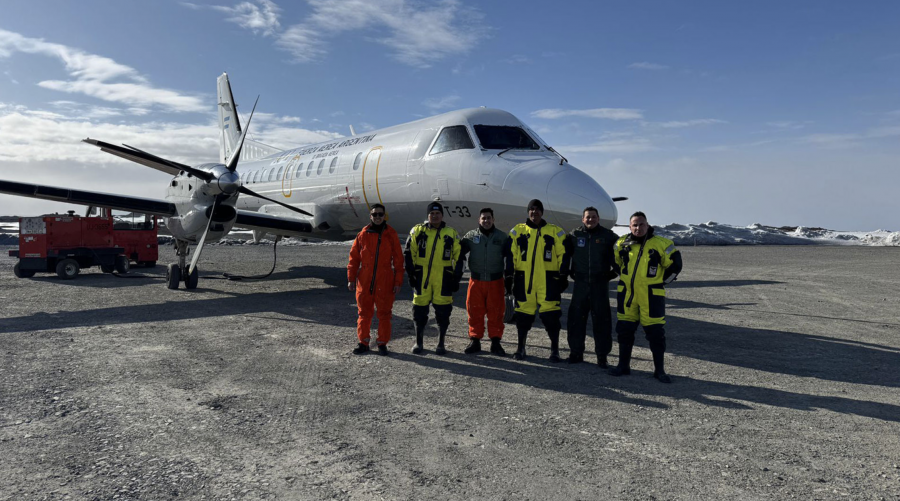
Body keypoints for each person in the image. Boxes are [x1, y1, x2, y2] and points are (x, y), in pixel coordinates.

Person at [608, 211, 683, 383]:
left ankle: (659, 370)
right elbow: (614, 261)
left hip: (651, 296)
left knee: (655, 333)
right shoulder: (621, 243)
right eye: (634, 225)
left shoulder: (662, 244)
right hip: (627, 295)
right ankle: (623, 366)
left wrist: (661, 282)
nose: (638, 228)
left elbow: (676, 265)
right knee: (624, 331)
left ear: (647, 225)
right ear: (629, 226)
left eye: (641, 224)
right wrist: (624, 276)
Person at [506, 199, 571, 361]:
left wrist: (563, 276)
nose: (534, 212)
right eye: (532, 209)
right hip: (524, 280)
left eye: (538, 209)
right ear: (528, 212)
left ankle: (554, 350)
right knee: (522, 316)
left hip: (548, 281)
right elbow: (510, 255)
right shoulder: (518, 231)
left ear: (542, 212)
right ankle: (521, 348)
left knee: (551, 317)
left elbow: (564, 254)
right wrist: (508, 276)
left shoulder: (555, 231)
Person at [562, 206, 619, 367]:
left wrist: (613, 273)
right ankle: (576, 353)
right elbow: (565, 255)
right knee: (575, 320)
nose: (591, 220)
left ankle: (602, 356)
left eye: (594, 217)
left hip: (599, 285)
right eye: (588, 217)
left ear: (598, 219)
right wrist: (565, 274)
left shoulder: (608, 237)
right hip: (580, 284)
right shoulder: (574, 235)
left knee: (602, 321)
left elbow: (620, 255)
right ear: (583, 219)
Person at [404, 202, 462, 355]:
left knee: (443, 313)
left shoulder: (451, 233)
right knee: (419, 312)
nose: (435, 216)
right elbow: (409, 253)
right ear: (428, 216)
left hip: (443, 277)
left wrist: (456, 277)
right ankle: (419, 342)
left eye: (437, 213)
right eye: (432, 214)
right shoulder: (418, 231)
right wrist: (411, 274)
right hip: (422, 277)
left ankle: (441, 343)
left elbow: (459, 257)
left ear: (442, 215)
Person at [347, 204, 404, 355]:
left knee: (384, 314)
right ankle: (363, 342)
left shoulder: (391, 234)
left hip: (385, 279)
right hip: (365, 280)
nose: (378, 217)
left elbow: (398, 260)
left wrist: (398, 281)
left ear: (384, 216)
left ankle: (382, 343)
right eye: (375, 215)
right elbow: (354, 259)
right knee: (364, 313)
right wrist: (351, 278)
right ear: (370, 216)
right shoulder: (363, 234)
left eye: (380, 214)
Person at [459, 208, 510, 356]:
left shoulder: (502, 237)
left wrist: (510, 278)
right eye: (483, 218)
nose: (486, 221)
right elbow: (459, 251)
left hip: (496, 281)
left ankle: (495, 342)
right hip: (476, 280)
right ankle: (475, 340)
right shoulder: (471, 236)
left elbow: (510, 257)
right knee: (474, 310)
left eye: (489, 218)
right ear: (479, 220)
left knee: (496, 312)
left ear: (493, 220)